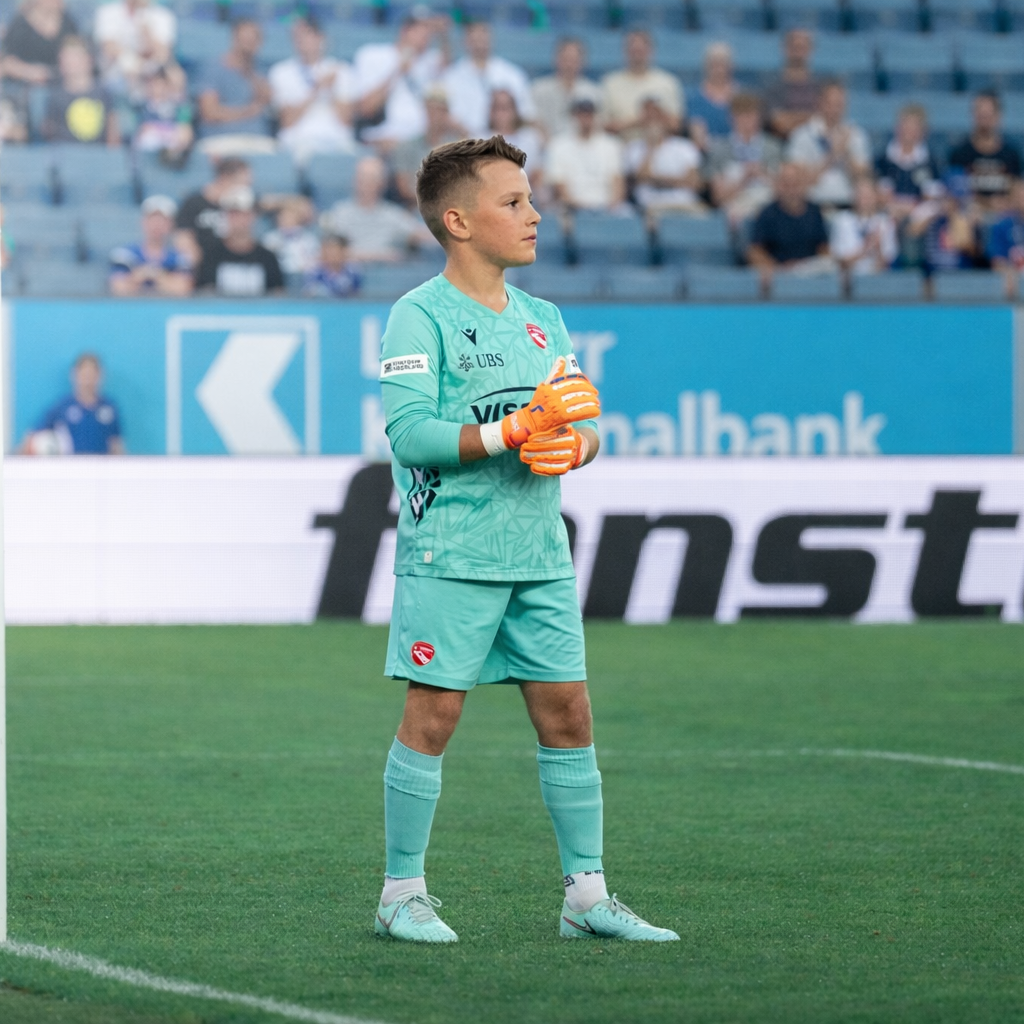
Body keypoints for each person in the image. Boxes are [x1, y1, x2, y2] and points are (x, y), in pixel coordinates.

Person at [373, 134, 678, 944]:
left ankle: (586, 897)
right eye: (513, 202)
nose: (534, 214)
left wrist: (576, 445)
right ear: (459, 221)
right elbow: (409, 434)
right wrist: (513, 430)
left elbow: (584, 426)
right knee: (434, 716)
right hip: (452, 552)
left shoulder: (545, 320)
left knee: (569, 714)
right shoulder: (418, 315)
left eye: (530, 198)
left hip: (539, 553)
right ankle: (401, 894)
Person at [352, 11, 447, 149]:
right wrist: (398, 70)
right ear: (405, 31)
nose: (426, 35)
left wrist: (443, 35)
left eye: (429, 31)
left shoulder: (429, 60)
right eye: (421, 29)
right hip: (388, 134)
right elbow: (366, 108)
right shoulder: (374, 54)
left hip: (423, 137)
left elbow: (447, 65)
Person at [268, 15, 356, 164]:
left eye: (306, 35)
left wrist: (332, 90)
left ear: (321, 37)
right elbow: (287, 121)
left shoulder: (342, 70)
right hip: (298, 142)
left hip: (337, 142)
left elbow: (345, 120)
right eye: (296, 36)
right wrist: (317, 89)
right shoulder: (281, 72)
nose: (300, 40)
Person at [321, 155, 434, 262]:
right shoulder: (340, 213)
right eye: (362, 178)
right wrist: (384, 256)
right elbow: (329, 253)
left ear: (382, 183)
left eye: (372, 179)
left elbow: (422, 235)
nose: (366, 183)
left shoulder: (392, 214)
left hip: (387, 274)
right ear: (354, 181)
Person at [441, 21, 534, 138]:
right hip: (464, 141)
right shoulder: (450, 77)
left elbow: (526, 113)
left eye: (483, 38)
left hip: (507, 140)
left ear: (491, 39)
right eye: (475, 39)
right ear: (465, 41)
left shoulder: (512, 74)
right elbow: (446, 116)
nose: (479, 43)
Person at [787, 80, 870, 208]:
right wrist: (832, 156)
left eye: (839, 104)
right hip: (812, 204)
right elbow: (799, 181)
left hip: (848, 203)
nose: (836, 110)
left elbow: (862, 178)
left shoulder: (855, 135)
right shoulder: (802, 136)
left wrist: (846, 153)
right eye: (831, 104)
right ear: (820, 103)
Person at [197, 18, 274, 154]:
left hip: (258, 140)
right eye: (245, 39)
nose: (248, 44)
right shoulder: (214, 68)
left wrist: (250, 73)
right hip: (222, 139)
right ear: (234, 39)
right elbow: (209, 112)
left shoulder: (261, 71)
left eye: (253, 40)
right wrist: (246, 112)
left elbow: (267, 101)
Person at [707, 93, 783, 226]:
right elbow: (718, 197)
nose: (747, 121)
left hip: (767, 204)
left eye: (751, 115)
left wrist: (762, 174)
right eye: (741, 116)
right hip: (734, 206)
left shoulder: (773, 147)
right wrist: (744, 178)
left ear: (759, 117)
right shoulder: (720, 149)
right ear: (732, 118)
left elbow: (783, 189)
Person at [27, 353, 123, 455]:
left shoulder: (109, 407)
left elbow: (116, 444)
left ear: (100, 375)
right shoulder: (62, 406)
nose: (88, 380)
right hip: (70, 463)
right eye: (84, 374)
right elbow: (31, 438)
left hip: (100, 463)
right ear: (74, 374)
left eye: (92, 374)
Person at [195, 185, 284, 296]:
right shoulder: (211, 255)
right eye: (233, 214)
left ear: (253, 216)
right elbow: (203, 295)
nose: (239, 219)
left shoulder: (267, 258)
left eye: (244, 214)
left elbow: (278, 296)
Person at [747, 162, 831, 276]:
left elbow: (824, 247)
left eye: (796, 184)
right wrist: (776, 269)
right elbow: (755, 251)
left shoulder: (814, 212)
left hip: (810, 275)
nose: (791, 190)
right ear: (778, 185)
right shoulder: (767, 214)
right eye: (786, 184)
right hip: (778, 275)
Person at [546, 97, 626, 212]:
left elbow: (617, 181)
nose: (585, 119)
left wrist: (611, 206)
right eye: (581, 115)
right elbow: (559, 185)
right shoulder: (558, 145)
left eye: (589, 115)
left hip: (606, 206)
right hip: (573, 208)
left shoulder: (611, 145)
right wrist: (577, 206)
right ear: (574, 117)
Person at [600, 30, 682, 141]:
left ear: (651, 51)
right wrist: (638, 121)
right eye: (633, 50)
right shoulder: (610, 83)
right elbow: (603, 126)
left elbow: (676, 125)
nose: (637, 55)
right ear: (625, 51)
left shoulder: (668, 83)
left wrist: (657, 115)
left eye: (641, 50)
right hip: (621, 146)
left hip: (659, 147)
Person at [625, 98, 702, 215]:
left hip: (684, 204)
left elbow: (693, 182)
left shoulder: (684, 146)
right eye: (649, 117)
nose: (653, 121)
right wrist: (651, 147)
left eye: (657, 116)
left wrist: (657, 180)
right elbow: (641, 177)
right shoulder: (633, 148)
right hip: (650, 206)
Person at [948, 90, 1022, 210]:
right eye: (980, 115)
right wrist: (986, 204)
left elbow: (1017, 190)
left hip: (1004, 214)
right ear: (973, 115)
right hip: (971, 213)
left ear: (998, 116)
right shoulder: (959, 153)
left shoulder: (1011, 154)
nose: (984, 121)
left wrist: (1005, 203)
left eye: (988, 115)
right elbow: (953, 194)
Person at [109, 194, 194, 296]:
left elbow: (183, 288)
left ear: (171, 224)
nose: (156, 225)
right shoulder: (124, 254)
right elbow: (119, 288)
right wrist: (166, 279)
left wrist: (152, 274)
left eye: (162, 221)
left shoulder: (180, 257)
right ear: (143, 222)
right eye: (152, 220)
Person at [392, 86, 464, 207]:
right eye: (430, 110)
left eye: (439, 110)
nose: (433, 115)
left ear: (447, 114)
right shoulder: (407, 147)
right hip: (417, 208)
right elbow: (404, 188)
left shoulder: (458, 148)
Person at [42, 35, 120, 145]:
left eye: (75, 58)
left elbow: (112, 129)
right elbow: (49, 132)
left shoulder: (103, 93)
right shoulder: (55, 96)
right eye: (66, 58)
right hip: (65, 152)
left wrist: (112, 153)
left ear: (88, 60)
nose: (70, 63)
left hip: (97, 153)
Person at [93, 0, 175, 99]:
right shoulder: (107, 12)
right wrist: (133, 61)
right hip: (117, 76)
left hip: (151, 78)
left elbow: (162, 54)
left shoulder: (163, 16)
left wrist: (143, 19)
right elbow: (109, 48)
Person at [175, 155, 252, 256]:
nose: (245, 189)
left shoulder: (242, 206)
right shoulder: (194, 203)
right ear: (225, 178)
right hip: (202, 260)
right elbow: (183, 237)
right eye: (242, 184)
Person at [530, 37, 602, 142]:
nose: (569, 65)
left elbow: (597, 127)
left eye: (574, 60)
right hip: (547, 145)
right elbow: (533, 121)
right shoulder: (539, 89)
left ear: (583, 61)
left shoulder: (593, 92)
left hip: (582, 146)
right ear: (556, 59)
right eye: (565, 59)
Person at [875, 104, 940, 213]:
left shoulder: (931, 163)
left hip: (919, 216)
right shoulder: (884, 161)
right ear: (897, 128)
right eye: (905, 125)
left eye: (914, 127)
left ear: (923, 131)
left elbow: (931, 199)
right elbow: (883, 197)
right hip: (889, 213)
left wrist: (911, 210)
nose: (908, 131)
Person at [830, 177, 898, 276]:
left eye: (868, 196)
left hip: (877, 278)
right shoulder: (842, 220)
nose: (864, 200)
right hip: (849, 278)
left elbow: (886, 264)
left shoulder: (885, 222)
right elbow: (841, 262)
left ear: (875, 197)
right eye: (860, 195)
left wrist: (878, 248)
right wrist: (865, 249)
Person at [1, 0, 79, 87]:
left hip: (61, 83)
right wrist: (30, 73)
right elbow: (7, 63)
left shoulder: (68, 22)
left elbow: (76, 51)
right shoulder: (19, 26)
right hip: (26, 85)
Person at [763, 29, 821, 140]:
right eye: (794, 48)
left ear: (811, 51)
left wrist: (791, 117)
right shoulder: (772, 87)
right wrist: (808, 117)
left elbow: (823, 122)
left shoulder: (819, 88)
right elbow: (780, 124)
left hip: (813, 145)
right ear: (785, 49)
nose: (798, 53)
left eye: (802, 48)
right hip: (781, 144)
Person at [133, 65, 193, 164]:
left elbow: (185, 133)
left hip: (172, 145)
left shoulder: (179, 106)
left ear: (167, 84)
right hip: (148, 150)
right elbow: (139, 134)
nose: (155, 88)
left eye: (159, 83)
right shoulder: (140, 106)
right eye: (151, 84)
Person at [488, 89, 543, 191]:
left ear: (515, 111)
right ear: (491, 112)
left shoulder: (530, 138)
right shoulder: (479, 140)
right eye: (498, 108)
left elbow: (537, 174)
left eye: (506, 108)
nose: (502, 113)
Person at [686, 41, 735, 147]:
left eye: (722, 64)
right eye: (714, 64)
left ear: (730, 66)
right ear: (706, 66)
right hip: (709, 150)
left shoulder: (741, 96)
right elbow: (698, 136)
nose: (719, 69)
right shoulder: (695, 98)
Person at [262, 195, 320, 275]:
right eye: (282, 216)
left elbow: (315, 261)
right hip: (278, 275)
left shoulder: (309, 239)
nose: (286, 220)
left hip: (303, 275)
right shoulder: (270, 238)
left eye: (290, 216)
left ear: (297, 218)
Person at [987, 177, 1024, 297]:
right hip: (1015, 286)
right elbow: (997, 260)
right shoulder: (1002, 226)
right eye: (1020, 195)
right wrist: (1007, 272)